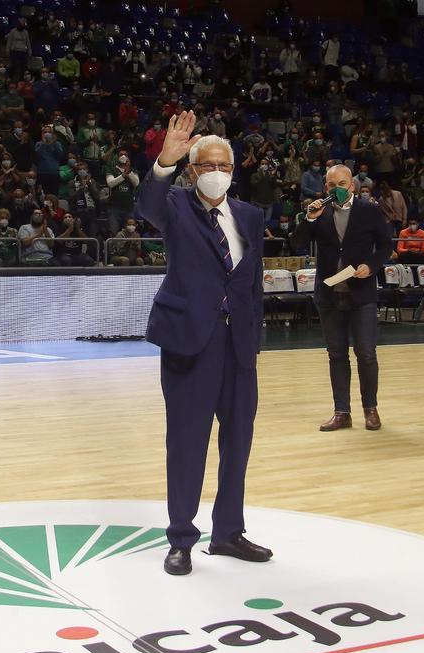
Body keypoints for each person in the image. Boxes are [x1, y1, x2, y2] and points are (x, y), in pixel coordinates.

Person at [135, 112, 269, 577]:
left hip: (239, 347)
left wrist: (255, 340)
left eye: (225, 166)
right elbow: (147, 204)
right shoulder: (174, 204)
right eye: (208, 164)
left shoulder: (249, 215)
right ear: (193, 171)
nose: (217, 172)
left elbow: (251, 284)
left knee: (238, 444)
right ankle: (181, 539)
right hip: (191, 343)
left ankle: (229, 532)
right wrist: (163, 162)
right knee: (188, 444)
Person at [290, 163, 392, 433]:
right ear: (325, 187)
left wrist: (371, 265)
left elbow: (385, 246)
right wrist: (309, 218)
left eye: (342, 184)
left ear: (353, 185)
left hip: (362, 295)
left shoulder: (370, 211)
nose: (336, 190)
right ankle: (341, 412)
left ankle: (370, 409)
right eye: (331, 185)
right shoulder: (318, 212)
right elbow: (296, 243)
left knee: (366, 353)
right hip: (329, 295)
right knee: (336, 355)